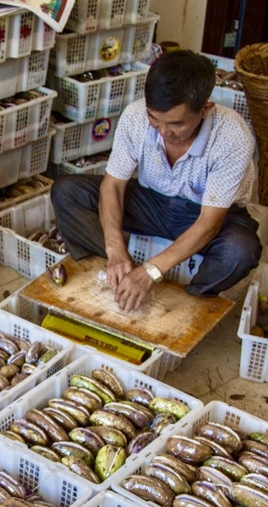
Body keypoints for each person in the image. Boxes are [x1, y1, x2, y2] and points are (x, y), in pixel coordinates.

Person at [51, 50, 262, 312]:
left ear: (205, 109)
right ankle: (113, 273)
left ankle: (187, 301)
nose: (163, 132)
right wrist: (115, 248)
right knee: (68, 191)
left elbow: (209, 223)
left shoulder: (232, 136)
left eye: (176, 123)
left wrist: (151, 271)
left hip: (206, 215)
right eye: (155, 119)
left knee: (240, 250)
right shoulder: (136, 116)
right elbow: (113, 185)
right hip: (153, 203)